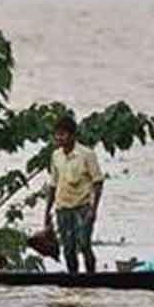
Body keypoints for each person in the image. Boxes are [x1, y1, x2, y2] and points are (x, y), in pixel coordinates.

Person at [43, 115, 104, 274]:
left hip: (82, 208)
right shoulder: (56, 156)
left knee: (84, 245)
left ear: (72, 135)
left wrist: (93, 210)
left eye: (62, 134)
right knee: (68, 250)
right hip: (63, 208)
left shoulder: (86, 155)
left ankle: (91, 276)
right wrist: (47, 211)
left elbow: (98, 182)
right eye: (56, 134)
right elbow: (53, 185)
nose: (58, 138)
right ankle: (74, 280)